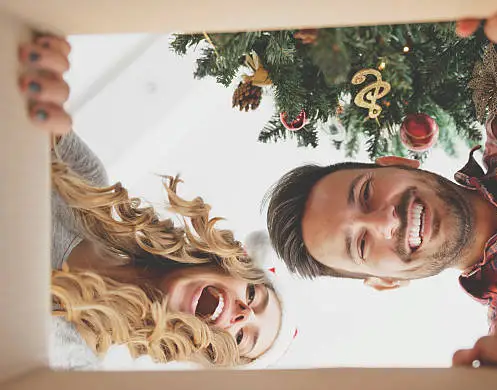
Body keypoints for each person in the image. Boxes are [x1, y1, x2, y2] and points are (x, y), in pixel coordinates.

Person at [264, 1, 497, 370]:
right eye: (361, 244)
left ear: (398, 162)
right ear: (386, 283)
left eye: (365, 194)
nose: (385, 221)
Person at [17, 35, 297, 370]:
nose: (246, 313)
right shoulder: (86, 181)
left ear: (205, 351)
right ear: (228, 265)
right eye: (253, 295)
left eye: (241, 338)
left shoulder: (75, 364)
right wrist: (33, 85)